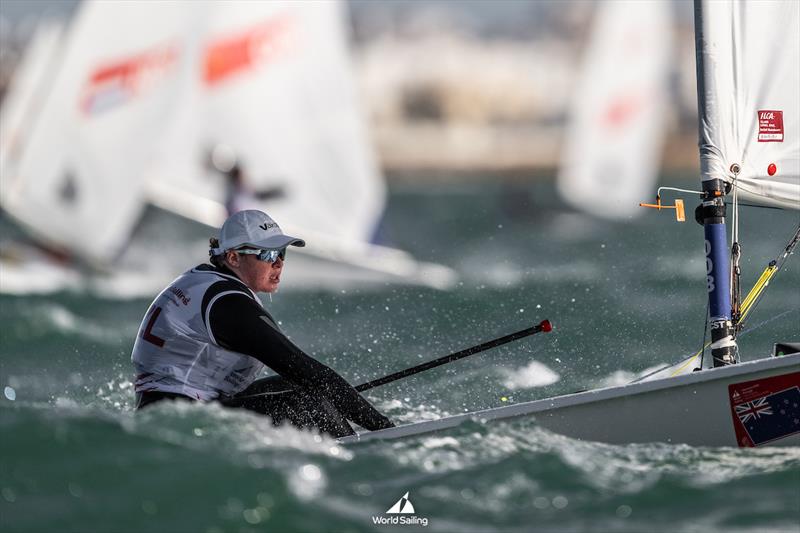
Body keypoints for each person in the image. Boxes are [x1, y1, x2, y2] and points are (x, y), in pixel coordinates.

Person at [130, 210, 394, 437]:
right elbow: (308, 370)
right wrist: (384, 428)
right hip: (179, 422)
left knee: (299, 387)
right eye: (267, 255)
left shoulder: (203, 280)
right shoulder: (229, 305)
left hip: (166, 408)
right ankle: (361, 451)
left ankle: (352, 439)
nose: (278, 263)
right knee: (304, 403)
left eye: (282, 253)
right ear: (233, 258)